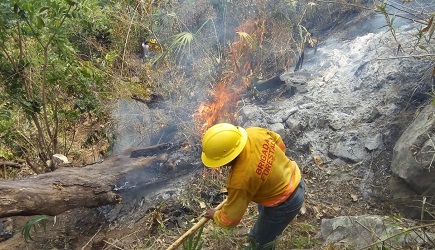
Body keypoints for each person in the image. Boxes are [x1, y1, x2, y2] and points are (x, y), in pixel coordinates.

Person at [201, 123, 305, 250]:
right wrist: (271, 167)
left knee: (257, 243)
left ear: (228, 158)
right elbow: (279, 143)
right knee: (266, 227)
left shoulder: (240, 181)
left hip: (284, 203)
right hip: (294, 177)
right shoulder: (255, 133)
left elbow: (230, 219)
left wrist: (215, 215)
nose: (220, 165)